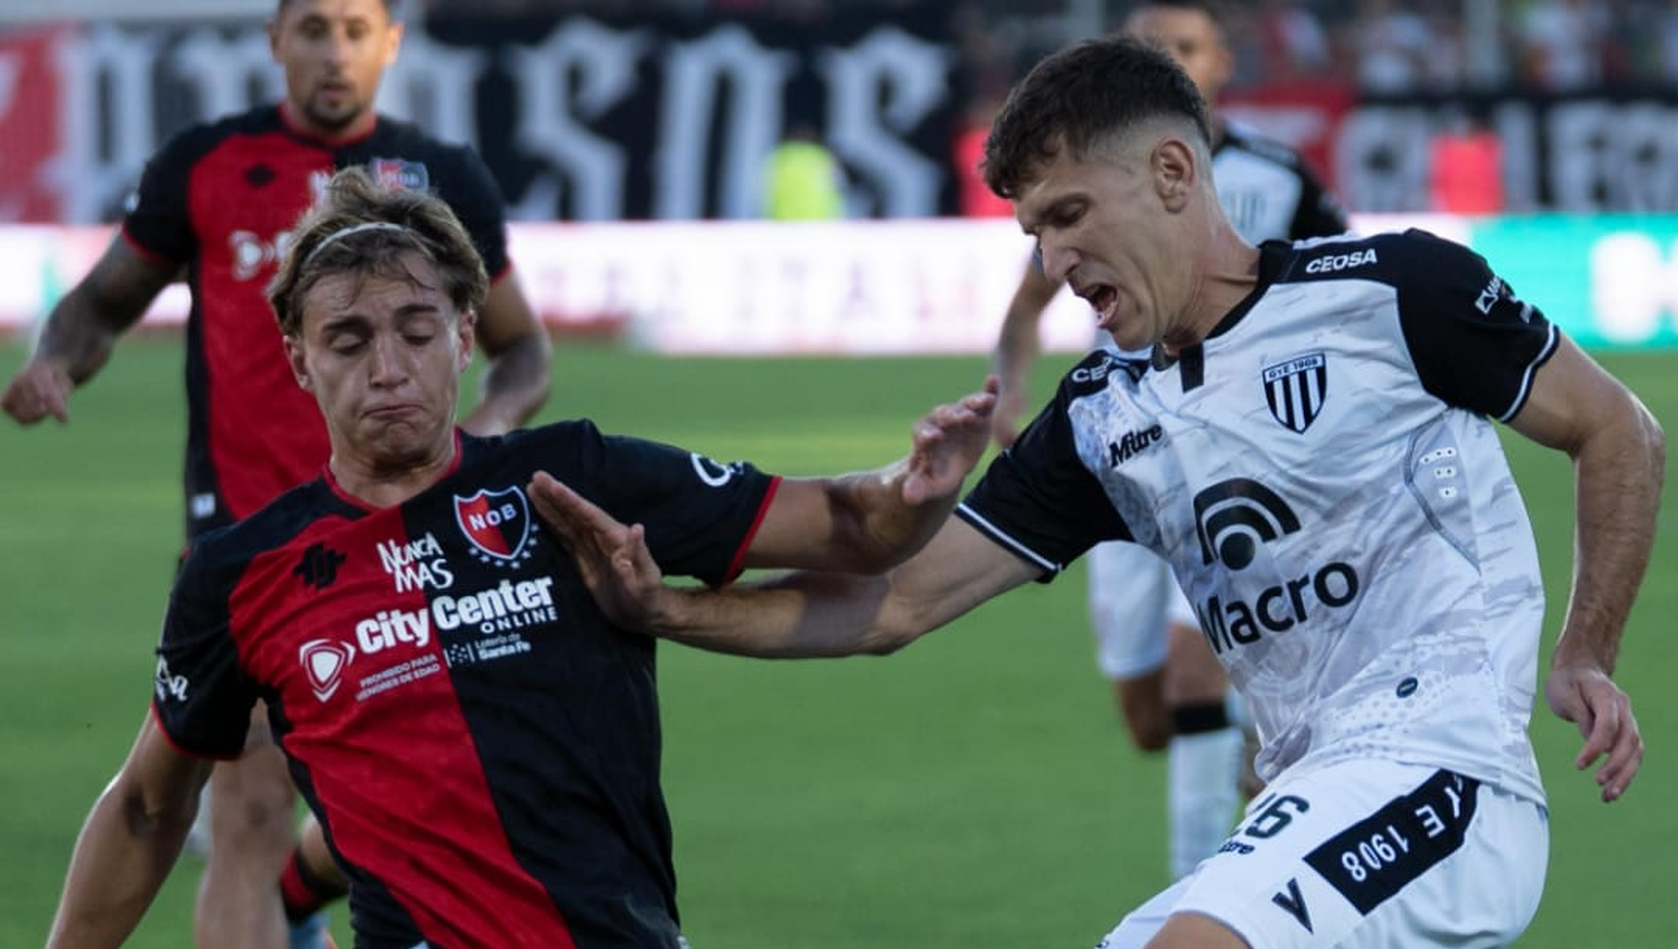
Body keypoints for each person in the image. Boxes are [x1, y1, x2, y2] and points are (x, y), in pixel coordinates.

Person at [532, 34, 1660, 949]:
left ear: (1172, 174)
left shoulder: (1395, 291)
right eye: (1033, 232)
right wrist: (671, 610)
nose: (1055, 260)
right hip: (1307, 799)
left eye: (1070, 215)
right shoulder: (1102, 414)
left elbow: (1617, 429)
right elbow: (897, 604)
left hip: (1444, 776)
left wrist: (1582, 650)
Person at [40, 165, 996, 949]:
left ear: (464, 337)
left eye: (416, 332)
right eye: (348, 339)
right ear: (298, 359)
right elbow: (145, 808)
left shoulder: (572, 478)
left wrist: (906, 488)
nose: (387, 368)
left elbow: (845, 525)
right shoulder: (242, 572)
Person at [3, 2, 552, 947]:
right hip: (251, 552)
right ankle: (285, 908)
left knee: (419, 798)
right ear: (275, 44)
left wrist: (489, 427)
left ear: (389, 44)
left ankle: (302, 911)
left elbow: (523, 349)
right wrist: (58, 359)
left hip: (405, 542)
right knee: (246, 812)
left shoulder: (445, 178)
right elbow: (99, 302)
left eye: (353, 29)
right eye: (311, 29)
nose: (332, 52)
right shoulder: (205, 165)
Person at [990, 0, 1348, 881]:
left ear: (1222, 60)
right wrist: (1012, 381)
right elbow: (1031, 299)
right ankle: (1241, 756)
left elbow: (1341, 296)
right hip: (1119, 456)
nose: (1173, 60)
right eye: (1154, 48)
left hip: (1239, 455)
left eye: (1185, 46)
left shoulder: (1279, 177)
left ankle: (1209, 891)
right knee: (1150, 714)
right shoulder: (1095, 185)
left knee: (1197, 675)